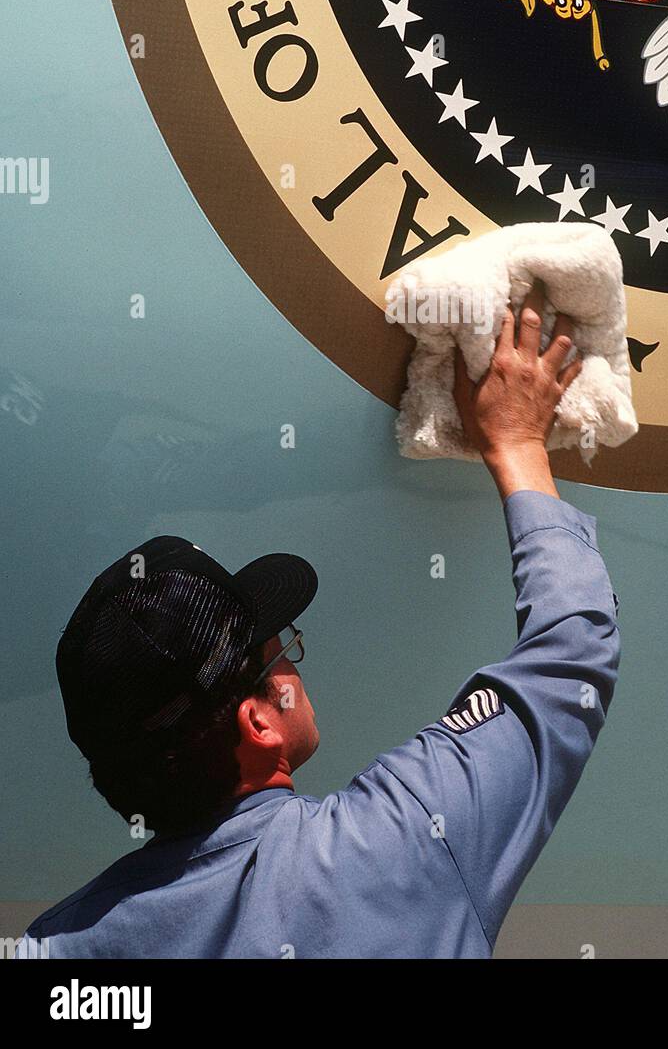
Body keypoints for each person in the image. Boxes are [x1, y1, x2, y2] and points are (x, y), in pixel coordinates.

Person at [17, 285, 620, 959]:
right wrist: (516, 444)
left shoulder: (60, 950)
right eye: (284, 654)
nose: (297, 667)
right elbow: (572, 649)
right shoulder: (398, 845)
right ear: (259, 723)